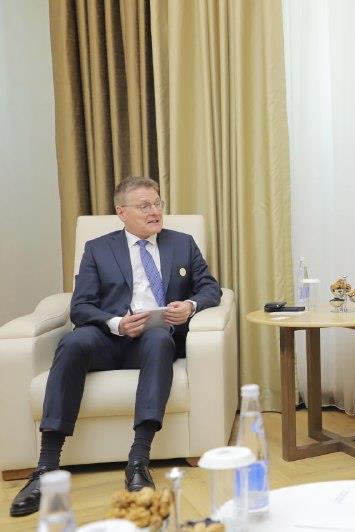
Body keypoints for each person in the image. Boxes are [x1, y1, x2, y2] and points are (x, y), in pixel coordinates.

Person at [10, 176, 222, 517]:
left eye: (157, 203)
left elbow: (210, 288)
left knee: (159, 338)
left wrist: (190, 306)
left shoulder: (182, 243)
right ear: (121, 212)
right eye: (144, 206)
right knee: (73, 342)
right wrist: (116, 323)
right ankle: (46, 467)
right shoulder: (98, 248)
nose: (154, 211)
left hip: (155, 338)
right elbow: (81, 307)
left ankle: (138, 460)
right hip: (108, 337)